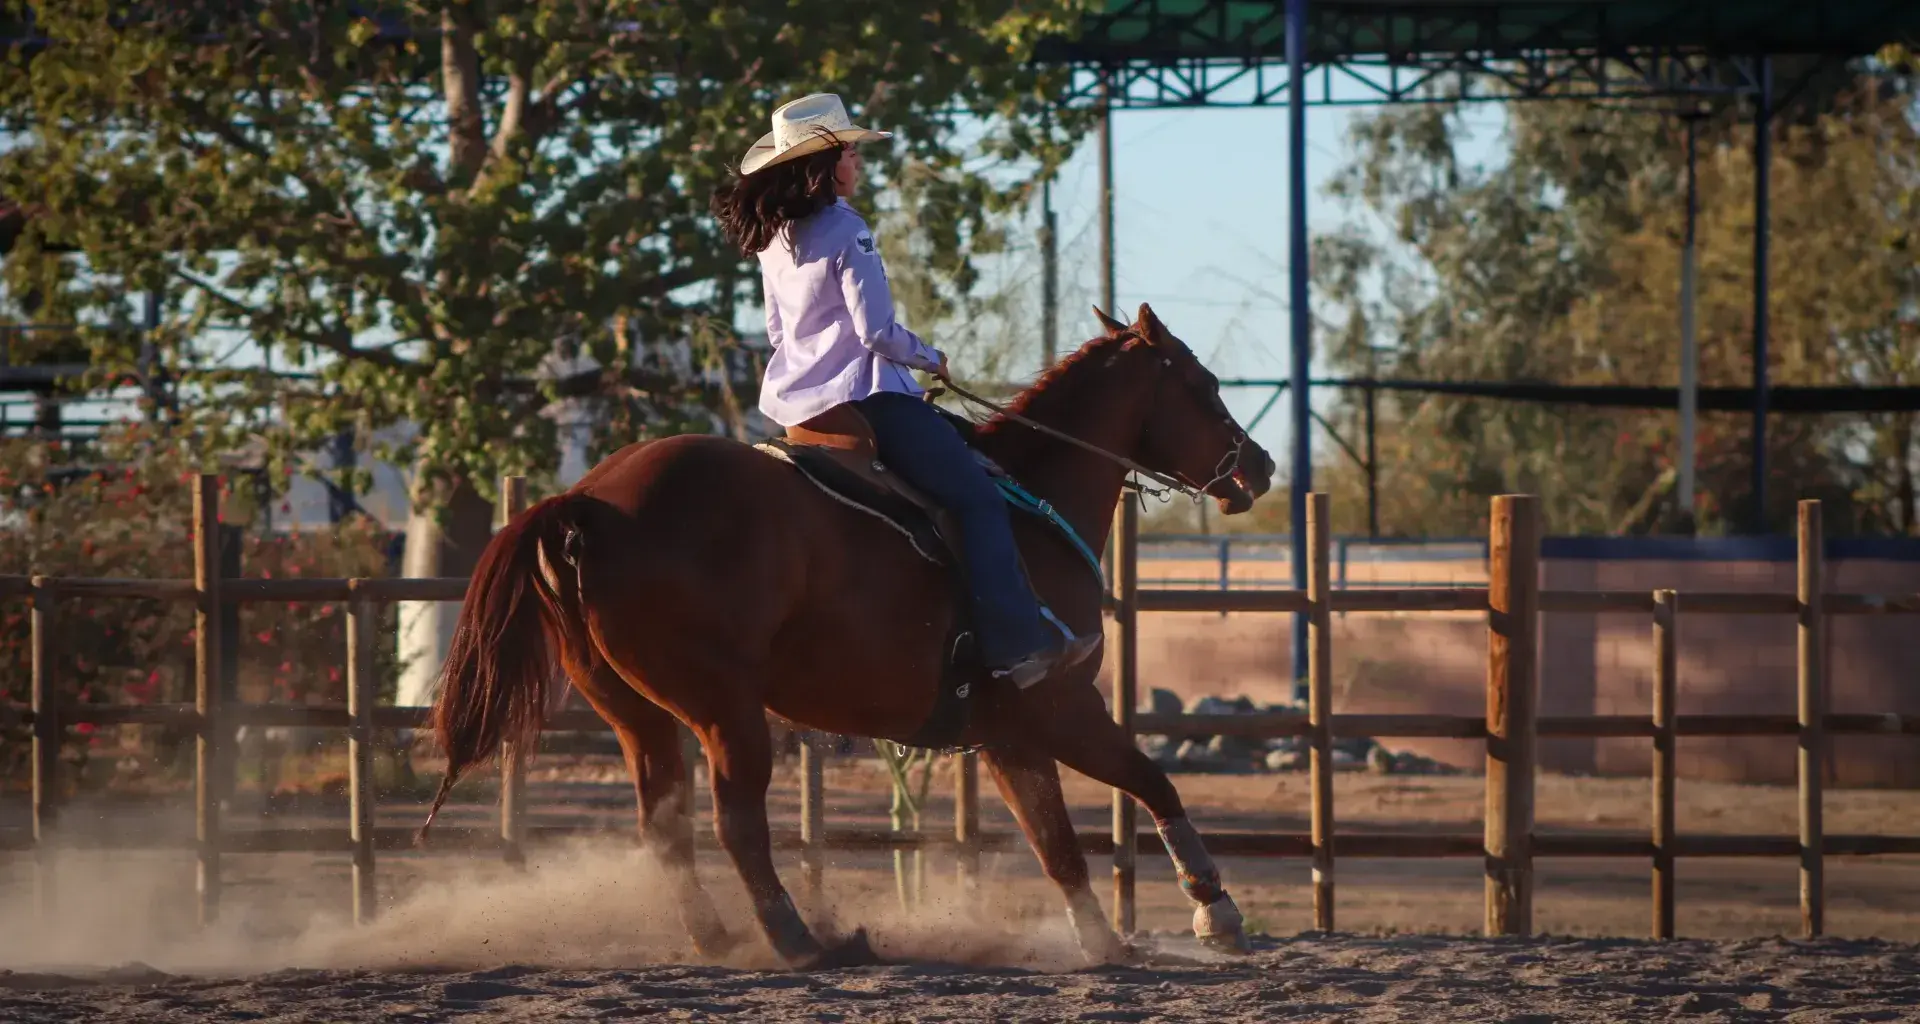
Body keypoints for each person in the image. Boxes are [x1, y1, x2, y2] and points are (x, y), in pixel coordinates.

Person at [710, 92, 1100, 689]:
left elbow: (775, 332)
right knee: (977, 500)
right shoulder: (848, 228)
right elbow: (876, 333)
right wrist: (931, 357)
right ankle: (1018, 644)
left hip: (798, 409)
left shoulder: (772, 238)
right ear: (826, 163)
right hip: (871, 399)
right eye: (850, 153)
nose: (858, 165)